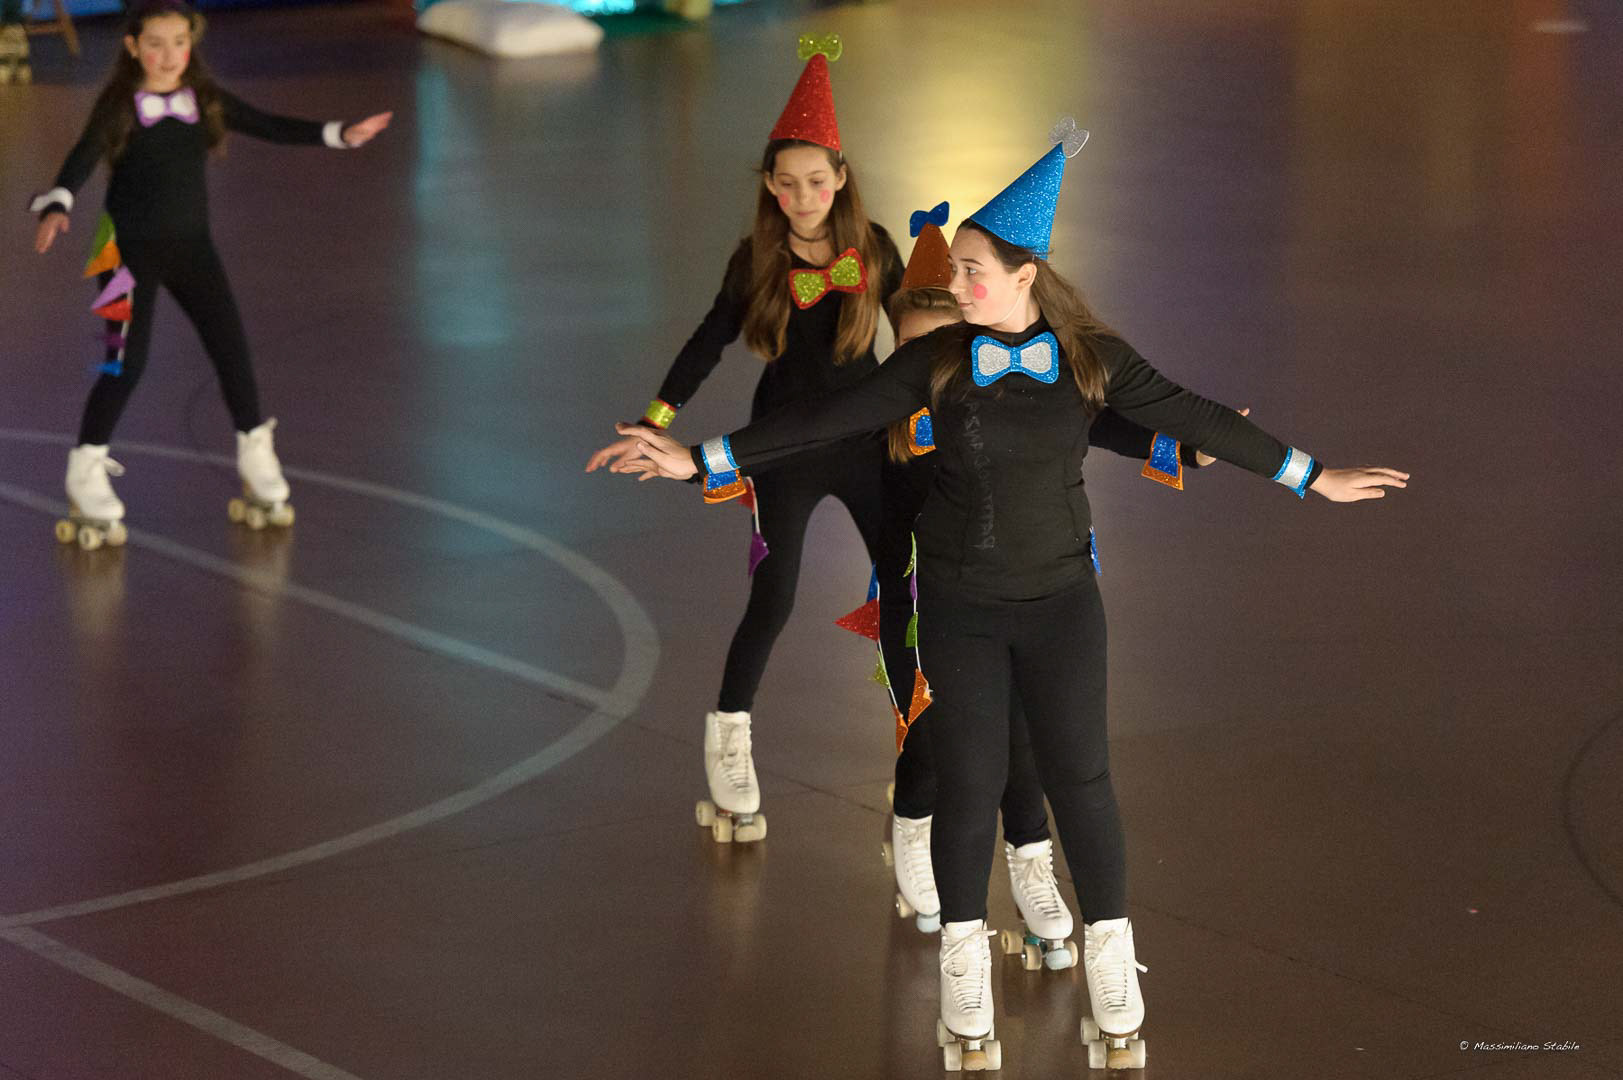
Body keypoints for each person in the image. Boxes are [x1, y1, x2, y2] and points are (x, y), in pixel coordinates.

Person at [589, 122, 1407, 1069]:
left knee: (1082, 781)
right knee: (970, 779)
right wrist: (696, 458)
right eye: (958, 271)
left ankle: (1111, 961)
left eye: (974, 271)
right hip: (959, 605)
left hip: (1062, 605)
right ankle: (963, 965)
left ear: (1024, 276)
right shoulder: (935, 361)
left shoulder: (1091, 358)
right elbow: (824, 418)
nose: (961, 285)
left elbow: (1196, 414)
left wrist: (1313, 477)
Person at [626, 35, 902, 843]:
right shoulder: (755, 260)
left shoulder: (874, 249)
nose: (801, 196)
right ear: (770, 187)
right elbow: (708, 339)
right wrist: (657, 420)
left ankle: (919, 742)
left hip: (866, 443)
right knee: (773, 596)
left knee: (904, 589)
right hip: (779, 446)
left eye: (815, 180)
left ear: (840, 178)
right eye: (786, 183)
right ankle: (729, 736)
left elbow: (919, 343)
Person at [29, 0, 390, 547]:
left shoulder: (204, 99)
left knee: (231, 350)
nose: (169, 54)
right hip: (122, 254)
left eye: (179, 42)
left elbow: (267, 124)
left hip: (192, 249)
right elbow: (83, 154)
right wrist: (58, 202)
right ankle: (85, 469)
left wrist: (339, 134)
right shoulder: (119, 104)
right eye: (155, 43)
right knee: (125, 363)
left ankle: (255, 452)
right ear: (132, 47)